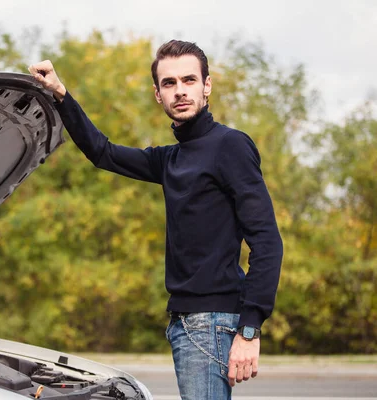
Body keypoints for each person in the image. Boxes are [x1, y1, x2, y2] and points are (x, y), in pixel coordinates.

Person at [28, 40, 283, 400]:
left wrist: (250, 329)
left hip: (212, 321)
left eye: (189, 80)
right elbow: (103, 153)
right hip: (184, 322)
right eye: (169, 83)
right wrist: (60, 95)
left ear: (207, 86)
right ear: (157, 94)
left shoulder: (230, 146)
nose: (180, 91)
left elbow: (268, 241)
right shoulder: (171, 159)